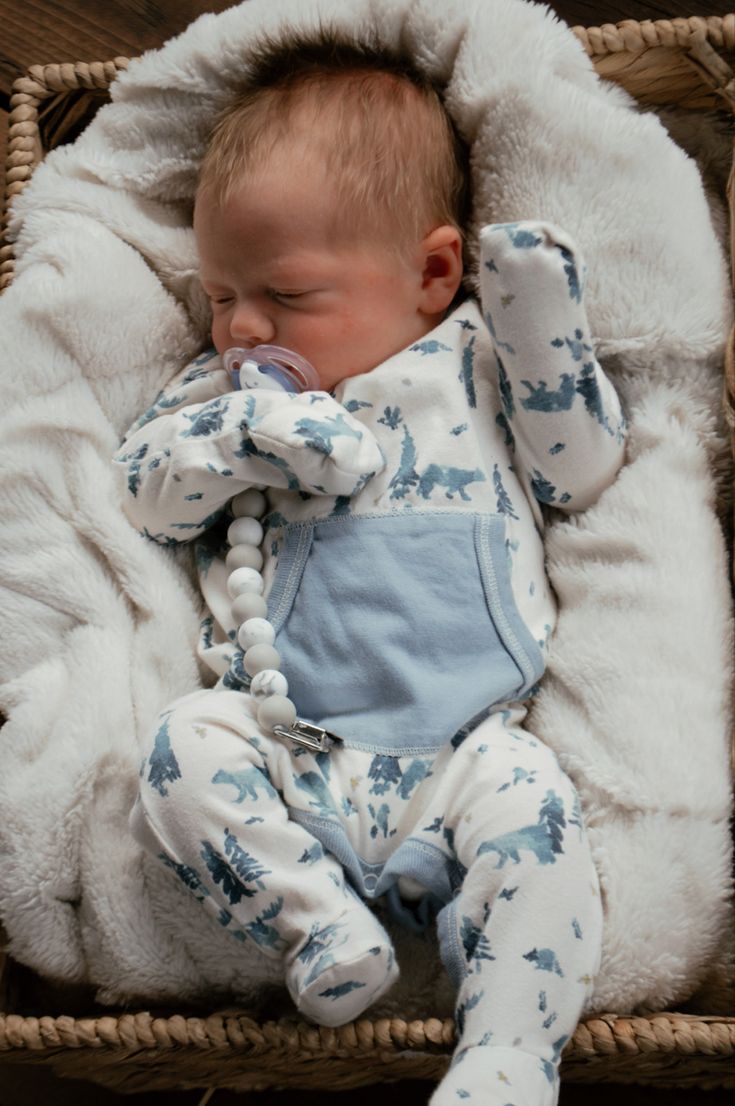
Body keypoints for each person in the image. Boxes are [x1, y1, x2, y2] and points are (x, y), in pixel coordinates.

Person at [114, 32, 626, 1106]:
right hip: (288, 741)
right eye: (220, 295)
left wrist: (543, 330)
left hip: (466, 747)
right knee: (177, 755)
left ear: (435, 272)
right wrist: (246, 437)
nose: (245, 325)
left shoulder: (478, 359)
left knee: (539, 829)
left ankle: (506, 1054)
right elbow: (149, 489)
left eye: (286, 296)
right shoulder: (227, 391)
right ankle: (317, 922)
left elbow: (579, 472)